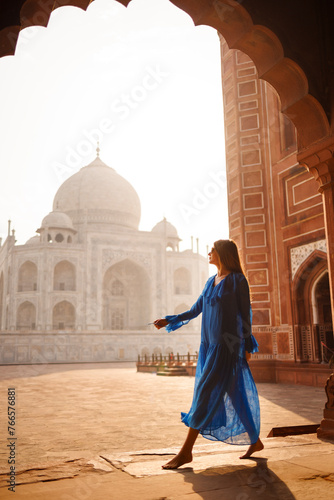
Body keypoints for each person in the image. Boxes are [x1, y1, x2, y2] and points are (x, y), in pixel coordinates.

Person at [154, 239, 264, 469]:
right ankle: (256, 441)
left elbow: (246, 316)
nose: (208, 253)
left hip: (227, 348)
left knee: (204, 393)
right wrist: (170, 319)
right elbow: (196, 310)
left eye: (212, 250)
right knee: (235, 394)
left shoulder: (237, 281)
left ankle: (185, 452)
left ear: (222, 254)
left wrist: (245, 346)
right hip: (210, 347)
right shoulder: (210, 282)